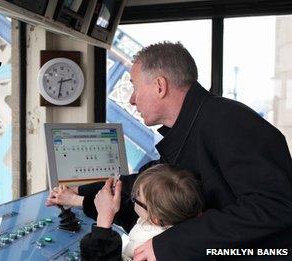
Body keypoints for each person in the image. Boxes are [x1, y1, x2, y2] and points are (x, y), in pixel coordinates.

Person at [46, 41, 292, 260]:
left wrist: (170, 245)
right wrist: (79, 194)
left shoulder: (233, 123)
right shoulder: (195, 126)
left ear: (159, 86)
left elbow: (275, 208)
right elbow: (147, 184)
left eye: (134, 87)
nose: (131, 99)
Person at [80, 164, 204, 261]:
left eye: (136, 197)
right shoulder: (174, 218)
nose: (133, 197)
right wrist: (79, 200)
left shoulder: (150, 253)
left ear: (155, 218)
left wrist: (103, 221)